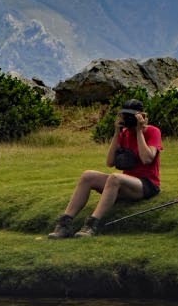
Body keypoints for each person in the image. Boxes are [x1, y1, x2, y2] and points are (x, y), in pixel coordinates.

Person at [49, 98, 162, 238]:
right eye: (125, 115)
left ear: (142, 116)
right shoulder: (124, 134)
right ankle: (64, 224)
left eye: (132, 116)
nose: (128, 119)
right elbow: (109, 162)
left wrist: (139, 131)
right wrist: (116, 133)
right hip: (126, 183)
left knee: (115, 177)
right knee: (87, 175)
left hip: (147, 185)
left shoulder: (152, 131)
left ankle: (91, 225)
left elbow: (147, 159)